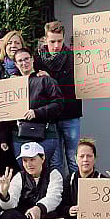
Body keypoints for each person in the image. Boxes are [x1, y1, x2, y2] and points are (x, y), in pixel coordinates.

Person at [36, 21, 82, 178]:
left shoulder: (73, 58)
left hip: (71, 114)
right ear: (45, 40)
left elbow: (75, 86)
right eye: (52, 41)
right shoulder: (38, 60)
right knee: (55, 161)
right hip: (50, 117)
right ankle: (59, 196)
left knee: (74, 159)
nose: (56, 45)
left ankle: (76, 192)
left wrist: (51, 81)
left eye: (59, 41)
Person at [11, 47, 64, 171]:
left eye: (26, 59)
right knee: (25, 171)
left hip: (45, 134)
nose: (24, 63)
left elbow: (58, 104)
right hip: (20, 136)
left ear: (33, 59)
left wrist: (37, 112)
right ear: (16, 64)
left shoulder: (45, 80)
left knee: (46, 170)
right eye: (20, 61)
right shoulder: (11, 84)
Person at [61, 139, 108, 219]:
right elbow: (62, 205)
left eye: (89, 156)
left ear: (95, 158)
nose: (85, 160)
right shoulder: (69, 180)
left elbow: (109, 211)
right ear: (76, 159)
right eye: (81, 156)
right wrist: (69, 209)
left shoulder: (102, 180)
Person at [0, 30, 27, 177]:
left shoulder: (29, 67)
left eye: (17, 42)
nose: (13, 46)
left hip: (24, 128)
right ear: (4, 47)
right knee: (4, 169)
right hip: (1, 130)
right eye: (9, 43)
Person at [0, 142, 64, 219]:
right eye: (25, 160)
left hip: (45, 217)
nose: (29, 164)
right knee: (8, 215)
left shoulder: (53, 174)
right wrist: (4, 194)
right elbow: (10, 205)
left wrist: (39, 208)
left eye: (32, 159)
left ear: (42, 158)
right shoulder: (19, 176)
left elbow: (54, 197)